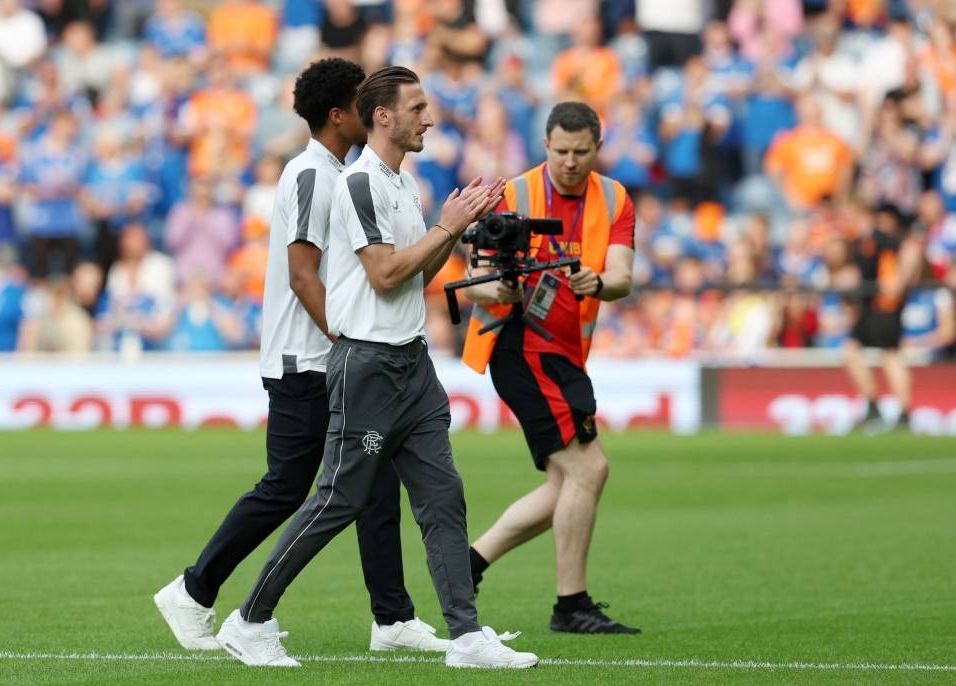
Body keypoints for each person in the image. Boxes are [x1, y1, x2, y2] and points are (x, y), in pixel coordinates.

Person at [214, 65, 538, 669]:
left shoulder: (399, 186)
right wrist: (450, 222)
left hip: (410, 364)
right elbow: (385, 273)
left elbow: (416, 270)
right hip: (367, 366)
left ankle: (467, 637)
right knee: (339, 497)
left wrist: (460, 233)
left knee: (443, 496)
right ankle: (249, 617)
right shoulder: (360, 185)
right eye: (418, 108)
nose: (429, 119)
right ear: (382, 116)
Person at [154, 58, 448, 655]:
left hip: (329, 354)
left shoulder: (346, 171)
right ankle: (193, 591)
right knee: (290, 486)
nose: (372, 112)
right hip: (307, 357)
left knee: (374, 477)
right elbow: (302, 274)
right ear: (340, 115)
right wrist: (346, 342)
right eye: (360, 102)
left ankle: (391, 617)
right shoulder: (312, 174)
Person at [461, 101, 641, 634]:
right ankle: (570, 605)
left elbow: (624, 276)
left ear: (597, 150)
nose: (569, 162)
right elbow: (478, 277)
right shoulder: (513, 193)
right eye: (560, 151)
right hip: (519, 345)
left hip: (563, 353)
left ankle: (468, 563)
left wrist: (599, 283)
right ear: (545, 146)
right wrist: (501, 287)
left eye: (580, 153)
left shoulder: (614, 198)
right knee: (591, 469)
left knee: (567, 484)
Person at [844, 204, 924, 432]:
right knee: (852, 351)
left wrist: (901, 278)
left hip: (885, 305)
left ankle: (903, 412)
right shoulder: (860, 242)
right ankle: (873, 405)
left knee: (891, 355)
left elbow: (911, 249)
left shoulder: (880, 237)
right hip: (870, 306)